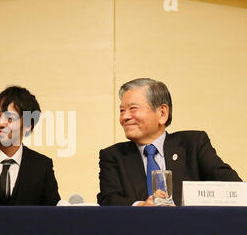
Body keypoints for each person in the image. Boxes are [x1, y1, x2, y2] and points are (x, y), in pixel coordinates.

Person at [97, 78, 241, 206]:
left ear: (162, 113)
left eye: (133, 109)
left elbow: (233, 187)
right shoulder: (113, 156)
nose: (125, 117)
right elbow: (108, 199)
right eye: (122, 111)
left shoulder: (193, 144)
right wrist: (140, 206)